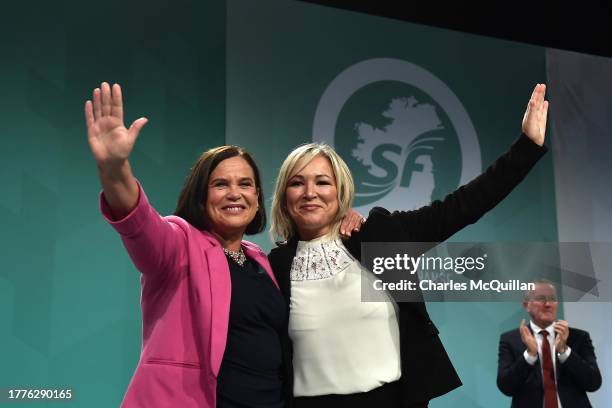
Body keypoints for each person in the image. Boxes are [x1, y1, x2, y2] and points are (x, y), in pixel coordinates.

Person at [268, 84, 551, 407]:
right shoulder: (274, 265)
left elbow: (463, 206)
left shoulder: (378, 233)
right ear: (284, 197)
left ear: (340, 191)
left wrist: (527, 148)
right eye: (296, 183)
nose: (310, 192)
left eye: (322, 182)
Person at [84, 82, 288, 407]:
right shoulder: (179, 243)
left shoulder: (261, 260)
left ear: (258, 198)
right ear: (201, 195)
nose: (235, 193)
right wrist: (114, 168)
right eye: (220, 184)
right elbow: (138, 222)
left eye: (245, 184)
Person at [497, 280, 602, 407]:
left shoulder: (578, 337)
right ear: (526, 305)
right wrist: (530, 355)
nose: (548, 304)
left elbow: (593, 383)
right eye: (541, 299)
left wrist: (565, 352)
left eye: (552, 299)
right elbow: (506, 387)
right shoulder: (511, 339)